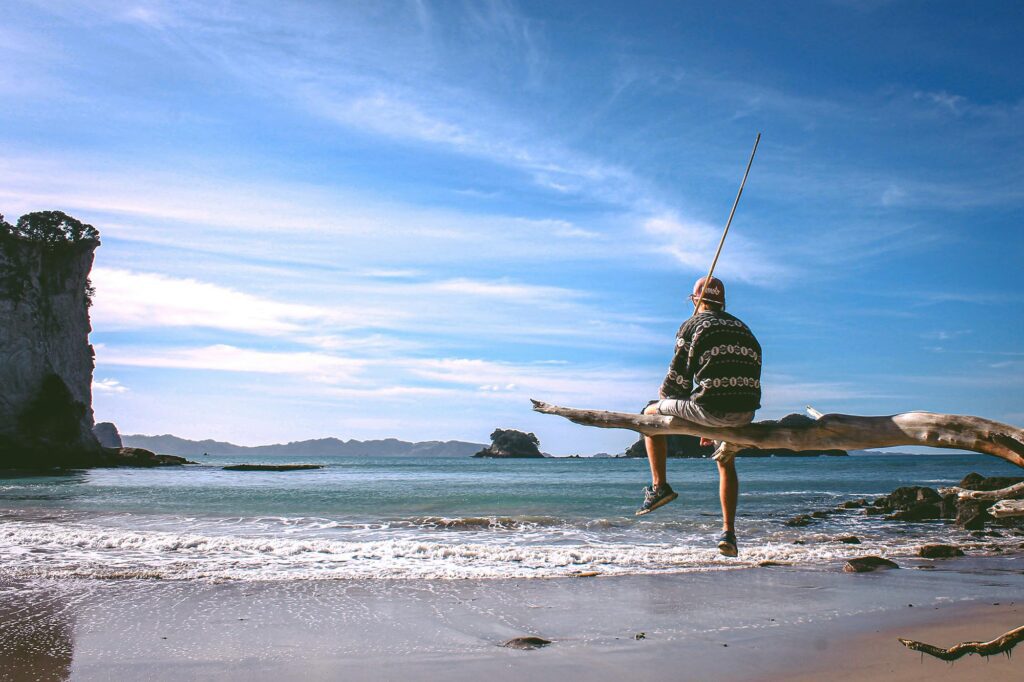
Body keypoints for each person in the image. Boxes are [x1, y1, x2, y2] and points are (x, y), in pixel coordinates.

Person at [636, 275, 762, 558]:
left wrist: (669, 398)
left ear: (695, 300)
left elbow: (676, 385)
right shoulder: (744, 328)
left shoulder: (692, 325)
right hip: (744, 413)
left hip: (711, 410)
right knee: (725, 458)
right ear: (723, 301)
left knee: (648, 413)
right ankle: (728, 533)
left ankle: (659, 487)